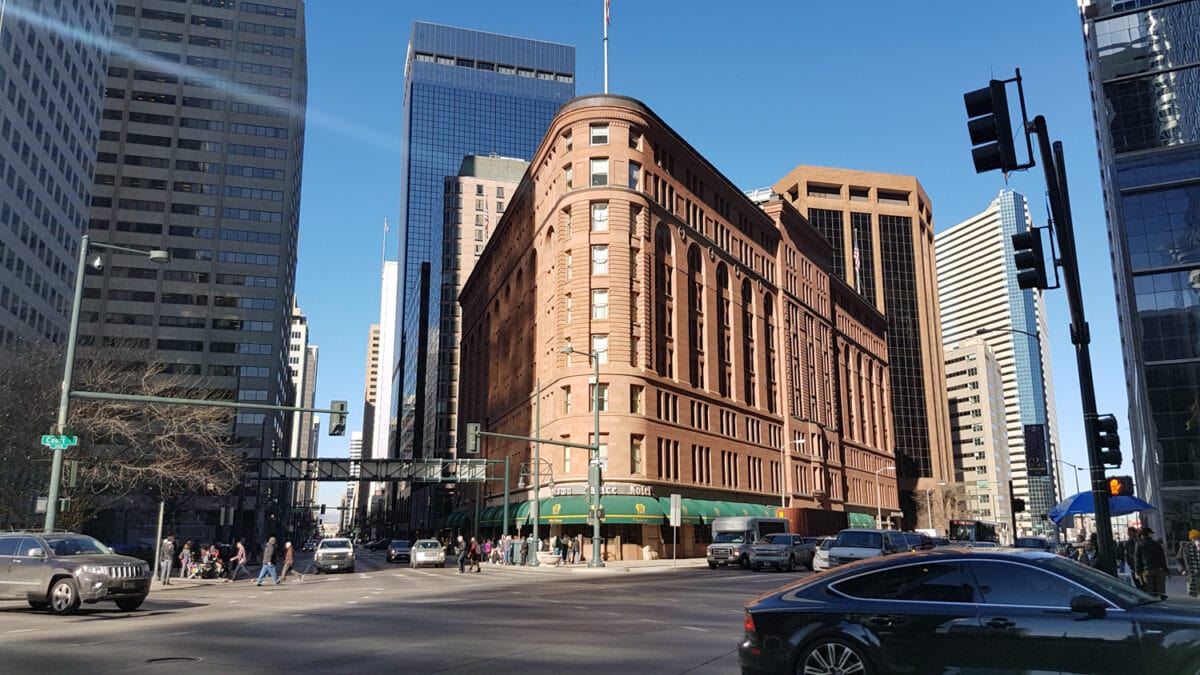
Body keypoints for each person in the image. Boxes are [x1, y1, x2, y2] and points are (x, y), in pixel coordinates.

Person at [1136, 527, 1169, 595]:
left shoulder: (1139, 544)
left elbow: (1137, 559)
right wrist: (1165, 569)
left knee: (1149, 591)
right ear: (1149, 534)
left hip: (1147, 571)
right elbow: (1162, 558)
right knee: (1161, 591)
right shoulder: (1156, 544)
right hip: (1158, 570)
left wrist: (1138, 571)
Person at [1179, 529, 1200, 598]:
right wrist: (1182, 569)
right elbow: (1179, 559)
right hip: (1191, 573)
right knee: (1192, 593)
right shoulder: (1186, 547)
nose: (1196, 539)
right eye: (1194, 538)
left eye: (1197, 538)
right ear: (1191, 538)